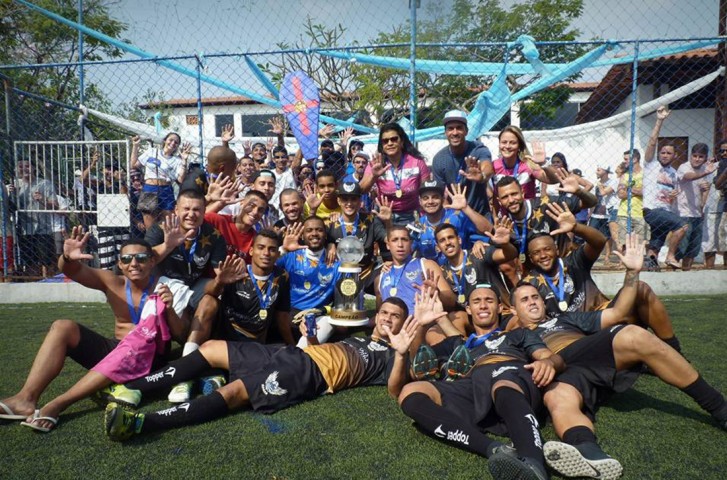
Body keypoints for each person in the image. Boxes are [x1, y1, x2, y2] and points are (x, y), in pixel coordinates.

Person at [511, 235, 727, 479]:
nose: (532, 302)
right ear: (512, 309)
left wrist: (632, 273)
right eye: (524, 299)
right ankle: (589, 452)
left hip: (585, 354)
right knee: (556, 398)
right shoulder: (514, 335)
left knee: (632, 335)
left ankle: (720, 408)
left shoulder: (564, 319)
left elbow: (617, 314)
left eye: (535, 297)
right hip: (561, 373)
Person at [103, 297, 416, 441]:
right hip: (291, 354)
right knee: (211, 347)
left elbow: (394, 389)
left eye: (395, 315)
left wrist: (401, 353)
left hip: (310, 376)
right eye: (384, 312)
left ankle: (142, 423)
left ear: (404, 323)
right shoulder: (357, 334)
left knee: (236, 392)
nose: (388, 318)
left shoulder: (393, 356)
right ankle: (133, 387)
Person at [0, 228, 175, 428]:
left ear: (152, 261)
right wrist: (67, 258)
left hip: (150, 358)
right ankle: (25, 398)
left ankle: (58, 404)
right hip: (118, 348)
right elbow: (73, 270)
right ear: (120, 263)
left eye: (141, 258)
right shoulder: (113, 282)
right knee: (63, 326)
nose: (133, 263)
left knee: (136, 344)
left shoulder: (165, 286)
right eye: (126, 259)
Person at [393, 286, 563, 480]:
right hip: (474, 388)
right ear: (468, 309)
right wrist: (422, 326)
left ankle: (533, 463)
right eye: (476, 301)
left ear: (500, 308)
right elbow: (418, 364)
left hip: (510, 377)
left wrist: (548, 362)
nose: (483, 305)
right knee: (411, 391)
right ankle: (494, 449)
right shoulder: (458, 346)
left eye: (489, 301)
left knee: (501, 380)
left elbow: (551, 357)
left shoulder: (517, 335)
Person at [520, 201, 683, 353]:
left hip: (605, 317)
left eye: (546, 249)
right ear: (531, 257)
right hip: (574, 334)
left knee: (641, 289)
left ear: (556, 249)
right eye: (536, 253)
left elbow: (598, 241)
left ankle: (673, 350)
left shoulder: (574, 262)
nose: (542, 255)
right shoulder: (529, 284)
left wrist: (576, 227)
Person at [145, 189, 227, 402]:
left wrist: (225, 279)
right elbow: (143, 263)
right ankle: (188, 363)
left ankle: (187, 363)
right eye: (186, 209)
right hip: (164, 285)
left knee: (212, 298)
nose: (191, 214)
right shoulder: (158, 229)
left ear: (204, 211)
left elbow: (219, 275)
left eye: (197, 209)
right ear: (176, 210)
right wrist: (169, 244)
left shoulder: (213, 235)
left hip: (194, 287)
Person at [205, 230, 293, 345]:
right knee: (207, 301)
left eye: (272, 249)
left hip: (256, 345)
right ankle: (190, 351)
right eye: (261, 247)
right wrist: (219, 281)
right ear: (251, 251)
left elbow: (282, 316)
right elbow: (209, 292)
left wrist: (293, 346)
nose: (266, 253)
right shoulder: (237, 271)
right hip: (228, 342)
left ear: (277, 254)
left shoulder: (282, 277)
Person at [435, 220, 517, 338]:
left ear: (459, 240)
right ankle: (464, 353)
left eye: (450, 237)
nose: (447, 242)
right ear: (438, 247)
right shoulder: (442, 272)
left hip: (502, 313)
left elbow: (510, 254)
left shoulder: (478, 253)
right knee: (454, 317)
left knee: (520, 321)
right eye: (442, 240)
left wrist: (505, 244)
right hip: (472, 320)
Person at [375, 225, 456, 325]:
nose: (400, 244)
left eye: (404, 239)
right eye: (395, 240)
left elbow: (451, 301)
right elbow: (379, 313)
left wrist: (437, 294)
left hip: (421, 328)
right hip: (392, 329)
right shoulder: (381, 277)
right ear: (388, 245)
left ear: (411, 243)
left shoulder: (426, 265)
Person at [641, 106, 688, 269]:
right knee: (682, 226)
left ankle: (650, 265)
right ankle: (670, 256)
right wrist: (659, 121)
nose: (665, 155)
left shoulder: (674, 173)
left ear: (674, 156)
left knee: (655, 244)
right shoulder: (651, 165)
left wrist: (673, 195)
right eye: (662, 152)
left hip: (665, 210)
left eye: (668, 153)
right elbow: (652, 142)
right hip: (653, 210)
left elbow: (668, 195)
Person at [325, 181, 391, 290]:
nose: (349, 203)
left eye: (353, 199)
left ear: (360, 201)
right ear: (338, 201)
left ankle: (382, 307)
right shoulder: (329, 224)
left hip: (366, 274)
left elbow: (389, 240)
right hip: (337, 274)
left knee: (387, 274)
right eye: (345, 199)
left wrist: (388, 222)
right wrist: (329, 243)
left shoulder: (371, 221)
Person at [360, 123, 431, 225]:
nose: (390, 143)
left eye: (394, 139)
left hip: (412, 216)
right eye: (385, 141)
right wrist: (374, 176)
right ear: (382, 145)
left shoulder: (417, 162)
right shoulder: (376, 164)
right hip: (384, 215)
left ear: (402, 142)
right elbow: (361, 190)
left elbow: (427, 192)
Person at [431, 110, 494, 217]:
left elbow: (487, 166)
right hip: (455, 215)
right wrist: (449, 218)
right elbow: (440, 194)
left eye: (459, 128)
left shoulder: (478, 149)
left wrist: (482, 176)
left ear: (466, 131)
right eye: (450, 128)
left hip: (480, 214)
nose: (455, 133)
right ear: (445, 133)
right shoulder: (439, 159)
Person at [415, 179, 492, 262]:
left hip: (463, 270)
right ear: (420, 201)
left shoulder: (458, 217)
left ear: (442, 198)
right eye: (425, 198)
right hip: (434, 273)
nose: (430, 201)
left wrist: (466, 208)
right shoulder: (417, 226)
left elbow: (488, 230)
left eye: (435, 197)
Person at [9, 158, 58, 277]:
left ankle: (49, 285)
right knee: (30, 262)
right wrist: (10, 194)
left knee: (46, 262)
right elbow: (10, 209)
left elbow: (55, 206)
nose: (24, 169)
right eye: (20, 166)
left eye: (27, 166)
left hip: (43, 228)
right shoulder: (14, 185)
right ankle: (33, 285)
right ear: (16, 169)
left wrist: (42, 200)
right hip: (24, 229)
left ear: (34, 168)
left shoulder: (44, 183)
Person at [130, 133, 192, 226]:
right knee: (150, 225)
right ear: (165, 140)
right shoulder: (151, 152)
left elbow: (180, 180)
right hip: (149, 189)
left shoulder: (177, 160)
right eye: (171, 140)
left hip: (166, 190)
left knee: (168, 223)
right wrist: (135, 146)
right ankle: (151, 240)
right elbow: (133, 165)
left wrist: (184, 161)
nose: (173, 143)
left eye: (176, 142)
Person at [676, 143, 716, 270]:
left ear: (705, 157)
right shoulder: (684, 167)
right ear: (690, 155)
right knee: (681, 246)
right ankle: (674, 270)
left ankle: (686, 271)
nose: (697, 159)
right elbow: (689, 177)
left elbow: (705, 189)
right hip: (683, 212)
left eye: (701, 156)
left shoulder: (706, 168)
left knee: (693, 247)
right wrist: (704, 173)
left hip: (697, 213)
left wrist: (704, 193)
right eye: (695, 156)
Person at [491, 126, 556, 202]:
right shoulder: (493, 166)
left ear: (519, 146)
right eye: (504, 142)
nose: (507, 146)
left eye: (513, 143)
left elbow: (553, 180)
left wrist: (544, 164)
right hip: (503, 213)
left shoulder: (528, 165)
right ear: (499, 144)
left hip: (527, 211)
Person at [204, 190, 268, 264]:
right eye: (251, 206)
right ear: (242, 203)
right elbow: (197, 219)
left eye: (260, 210)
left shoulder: (256, 240)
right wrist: (218, 203)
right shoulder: (220, 221)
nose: (255, 212)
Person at [588, 164, 619, 265]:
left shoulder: (613, 182)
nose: (596, 172)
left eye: (599, 170)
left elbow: (603, 193)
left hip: (607, 213)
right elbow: (594, 199)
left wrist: (600, 186)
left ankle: (607, 257)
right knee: (590, 235)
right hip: (596, 214)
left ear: (605, 171)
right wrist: (590, 212)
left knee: (607, 237)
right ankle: (590, 256)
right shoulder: (595, 183)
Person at [704, 139, 727, 268]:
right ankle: (709, 269)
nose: (724, 153)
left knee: (725, 241)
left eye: (726, 151)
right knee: (710, 242)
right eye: (722, 151)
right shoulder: (713, 167)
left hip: (723, 207)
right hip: (712, 208)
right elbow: (714, 185)